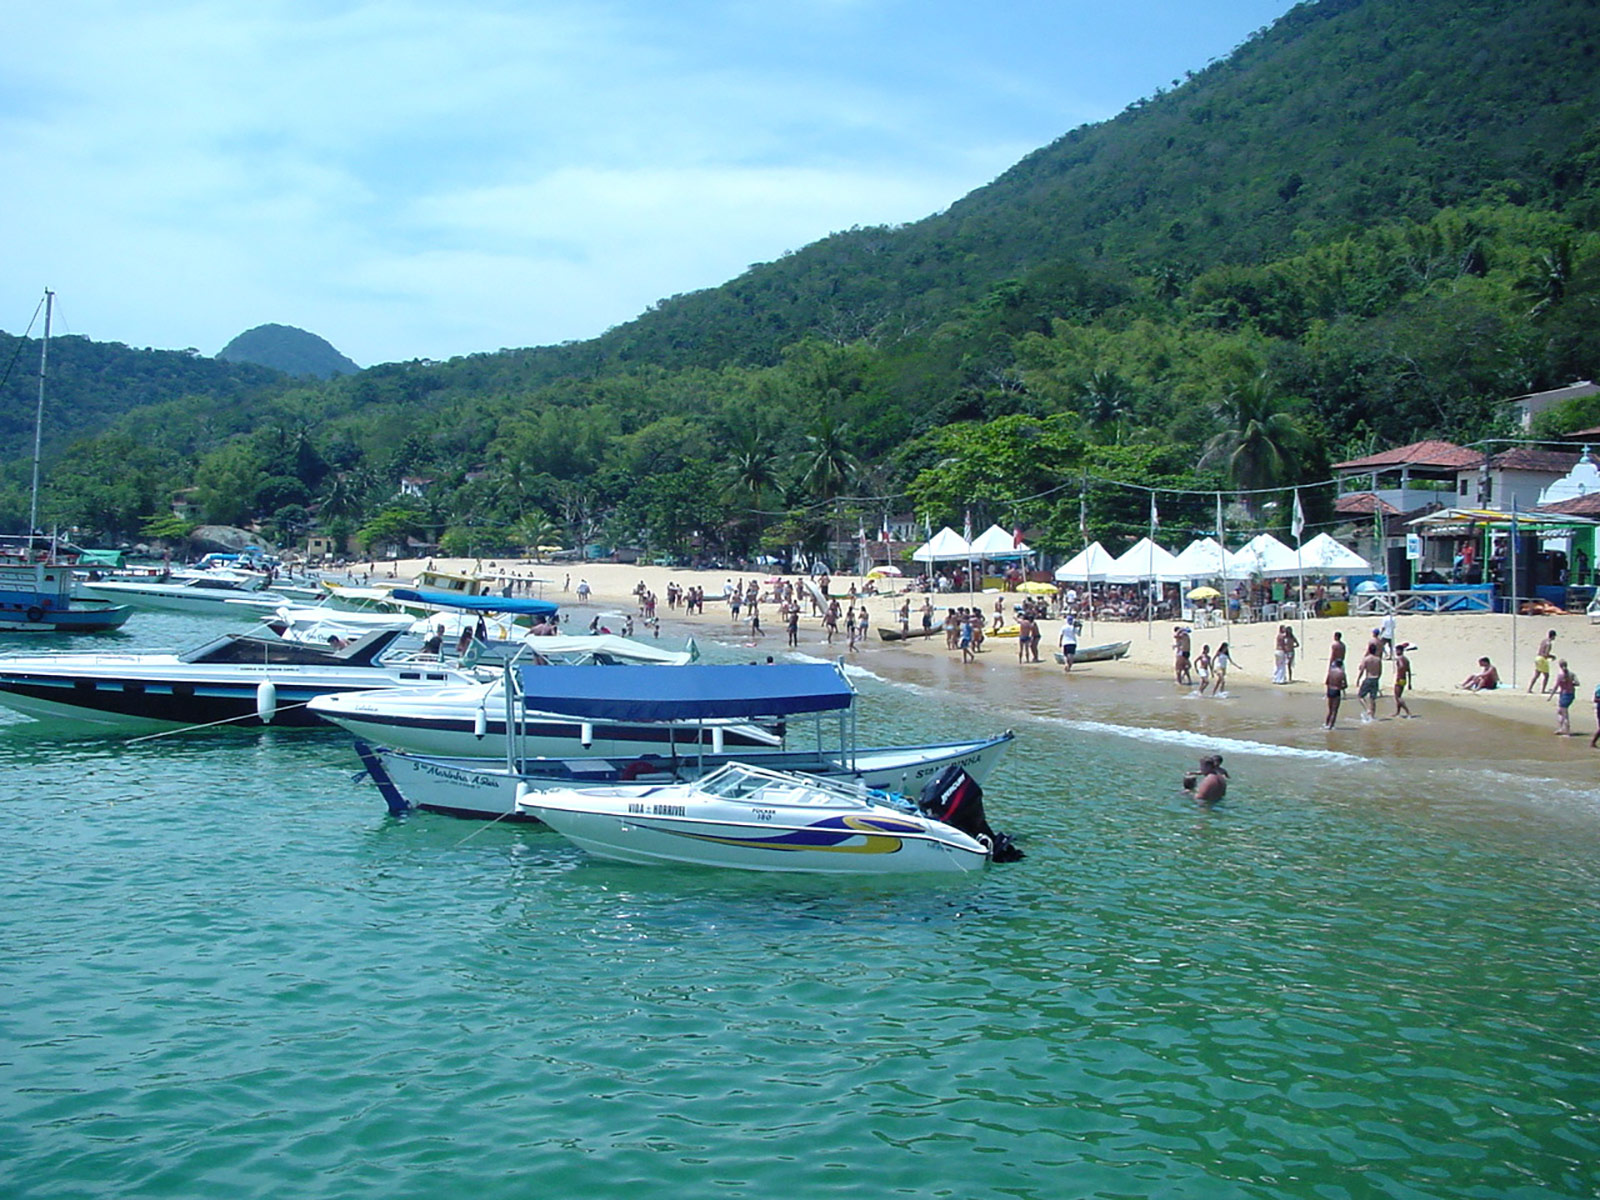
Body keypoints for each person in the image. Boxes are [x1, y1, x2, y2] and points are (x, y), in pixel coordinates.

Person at [1355, 640, 1384, 723]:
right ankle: (1372, 717)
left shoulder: (1366, 659)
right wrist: (1378, 678)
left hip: (1368, 678)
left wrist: (1358, 679)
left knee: (1360, 696)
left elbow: (1362, 670)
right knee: (1373, 699)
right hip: (1375, 679)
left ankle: (1367, 709)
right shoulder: (1378, 660)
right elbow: (1380, 671)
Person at [1551, 659, 1578, 735]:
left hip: (1564, 695)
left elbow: (1556, 686)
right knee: (1560, 711)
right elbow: (1577, 683)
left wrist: (1551, 696)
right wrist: (1571, 683)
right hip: (1571, 694)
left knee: (1564, 713)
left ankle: (1567, 732)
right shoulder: (1572, 674)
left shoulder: (1560, 675)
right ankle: (1561, 728)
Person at [1324, 659, 1347, 730]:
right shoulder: (1342, 673)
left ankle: (1326, 724)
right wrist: (1341, 687)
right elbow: (1345, 685)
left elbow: (1327, 682)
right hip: (1336, 691)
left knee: (1330, 710)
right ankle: (1331, 726)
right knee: (1334, 710)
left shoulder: (1330, 671)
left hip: (1330, 690)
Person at [1392, 643, 1413, 718]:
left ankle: (1408, 712)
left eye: (1397, 650)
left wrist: (1398, 676)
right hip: (1404, 679)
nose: (1396, 652)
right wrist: (1410, 683)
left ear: (1400, 651)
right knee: (1398, 696)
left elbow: (1401, 666)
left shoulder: (1399, 658)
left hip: (1400, 678)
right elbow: (1409, 672)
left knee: (1397, 697)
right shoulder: (1406, 659)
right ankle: (1398, 712)